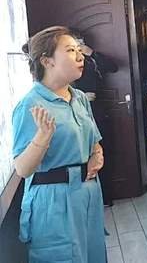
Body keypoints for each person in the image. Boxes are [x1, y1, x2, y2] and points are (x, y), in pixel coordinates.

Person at [13, 26, 106, 262]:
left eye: (78, 49)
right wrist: (42, 138)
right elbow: (22, 169)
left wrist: (97, 154)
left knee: (92, 255)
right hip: (54, 199)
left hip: (87, 192)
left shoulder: (79, 97)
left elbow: (94, 141)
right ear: (47, 61)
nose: (80, 55)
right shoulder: (30, 105)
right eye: (71, 50)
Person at [70, 29, 118, 206]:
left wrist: (91, 52)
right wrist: (80, 95)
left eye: (80, 42)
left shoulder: (91, 59)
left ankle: (105, 196)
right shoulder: (64, 64)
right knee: (81, 153)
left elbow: (113, 67)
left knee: (101, 151)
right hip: (74, 112)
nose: (78, 47)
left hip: (96, 110)